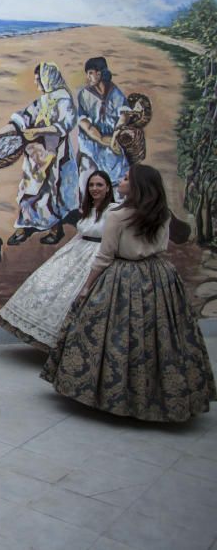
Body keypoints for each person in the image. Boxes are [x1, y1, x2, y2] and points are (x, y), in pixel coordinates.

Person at [41, 164, 216, 422]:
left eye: (125, 178)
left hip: (123, 275)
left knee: (117, 335)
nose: (120, 181)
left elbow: (104, 256)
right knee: (162, 336)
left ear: (136, 186)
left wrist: (87, 287)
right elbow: (166, 243)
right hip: (159, 276)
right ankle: (161, 393)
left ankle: (114, 392)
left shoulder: (118, 215)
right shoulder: (161, 213)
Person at [0, 171, 116, 350]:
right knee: (44, 284)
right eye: (91, 185)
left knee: (75, 297)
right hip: (77, 252)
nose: (94, 189)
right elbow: (81, 234)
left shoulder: (113, 210)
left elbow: (114, 238)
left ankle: (74, 345)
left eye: (99, 185)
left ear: (108, 188)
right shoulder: (88, 209)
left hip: (97, 256)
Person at [0, 62, 80, 246]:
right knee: (27, 189)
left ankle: (54, 228)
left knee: (53, 191)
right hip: (36, 155)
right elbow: (22, 119)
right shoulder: (42, 101)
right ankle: (25, 225)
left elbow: (64, 126)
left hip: (56, 155)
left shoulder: (64, 100)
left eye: (39, 80)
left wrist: (37, 132)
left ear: (48, 79)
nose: (37, 85)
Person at [76, 57, 130, 189]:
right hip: (91, 144)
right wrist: (102, 139)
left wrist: (115, 136)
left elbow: (123, 117)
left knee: (117, 182)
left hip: (113, 142)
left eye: (90, 73)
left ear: (99, 73)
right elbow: (86, 125)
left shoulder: (116, 93)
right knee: (87, 181)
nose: (87, 77)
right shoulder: (84, 94)